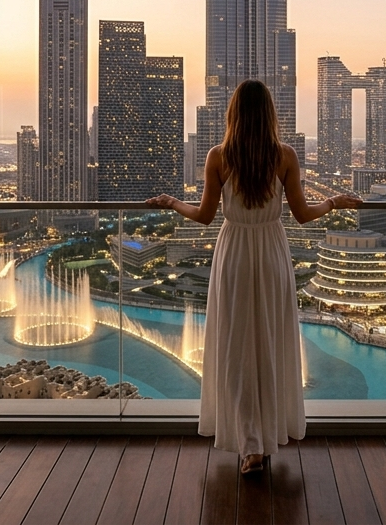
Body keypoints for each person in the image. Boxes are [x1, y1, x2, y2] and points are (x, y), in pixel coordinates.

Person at [146, 80, 360, 474]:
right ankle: (266, 436)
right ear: (270, 116)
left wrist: (171, 202)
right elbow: (302, 214)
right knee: (270, 343)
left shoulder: (218, 156)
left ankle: (249, 446)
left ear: (234, 114)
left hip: (235, 255)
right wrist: (333, 201)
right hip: (272, 254)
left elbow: (205, 215)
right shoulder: (285, 156)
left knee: (236, 348)